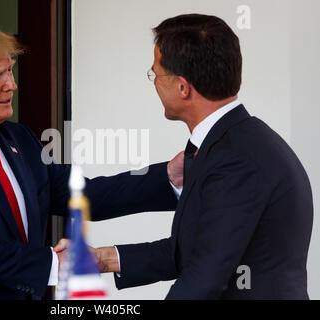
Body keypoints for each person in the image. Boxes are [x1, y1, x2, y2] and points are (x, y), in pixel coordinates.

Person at [0, 22, 180, 299]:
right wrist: (52, 263)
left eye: (10, 72)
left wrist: (168, 177)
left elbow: (82, 193)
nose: (11, 85)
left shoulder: (17, 138)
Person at [94, 14, 313, 299]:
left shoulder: (237, 159)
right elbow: (196, 249)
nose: (154, 83)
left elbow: (203, 281)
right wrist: (105, 258)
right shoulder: (234, 142)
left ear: (183, 87)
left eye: (156, 74)